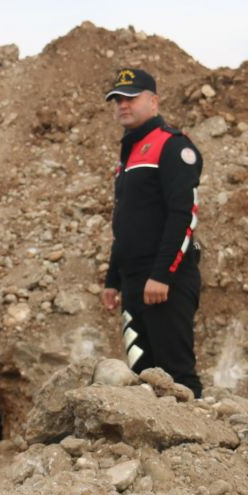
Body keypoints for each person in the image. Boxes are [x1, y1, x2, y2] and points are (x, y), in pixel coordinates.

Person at [100, 68, 205, 397]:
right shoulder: (130, 153)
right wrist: (113, 279)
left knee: (177, 376)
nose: (122, 105)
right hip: (133, 283)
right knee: (142, 375)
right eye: (117, 99)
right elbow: (127, 222)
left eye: (131, 97)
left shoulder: (173, 147)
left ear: (153, 101)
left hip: (164, 282)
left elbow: (183, 215)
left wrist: (162, 275)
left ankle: (198, 446)